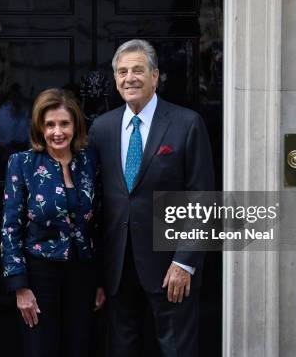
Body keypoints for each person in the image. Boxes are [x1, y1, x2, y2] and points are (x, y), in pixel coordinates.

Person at [89, 39, 214, 357]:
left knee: (176, 350)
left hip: (170, 263)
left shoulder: (186, 124)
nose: (129, 77)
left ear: (155, 76)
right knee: (121, 348)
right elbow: (96, 197)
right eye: (122, 71)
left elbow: (202, 198)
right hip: (117, 266)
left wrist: (184, 261)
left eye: (138, 70)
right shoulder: (101, 129)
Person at [1, 88, 106, 357]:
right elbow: (10, 227)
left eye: (64, 123)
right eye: (50, 124)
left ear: (75, 126)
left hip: (82, 274)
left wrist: (100, 281)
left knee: (79, 348)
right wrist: (20, 287)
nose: (57, 132)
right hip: (39, 275)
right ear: (40, 127)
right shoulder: (22, 163)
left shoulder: (89, 161)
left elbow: (100, 223)